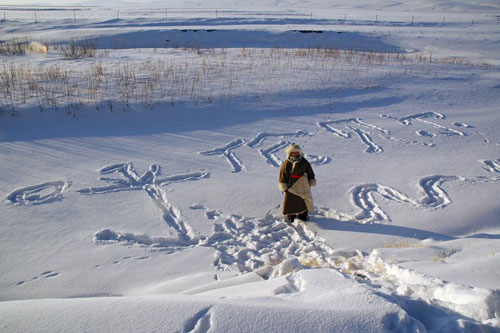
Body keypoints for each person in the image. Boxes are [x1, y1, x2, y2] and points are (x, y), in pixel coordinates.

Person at [278, 143, 316, 223]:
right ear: (290, 153)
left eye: (297, 152)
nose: (295, 154)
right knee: (291, 202)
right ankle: (291, 216)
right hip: (291, 186)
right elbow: (283, 174)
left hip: (302, 184)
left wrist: (311, 179)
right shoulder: (287, 163)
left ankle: (303, 215)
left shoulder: (304, 161)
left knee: (303, 200)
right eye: (293, 152)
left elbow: (309, 171)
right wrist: (284, 185)